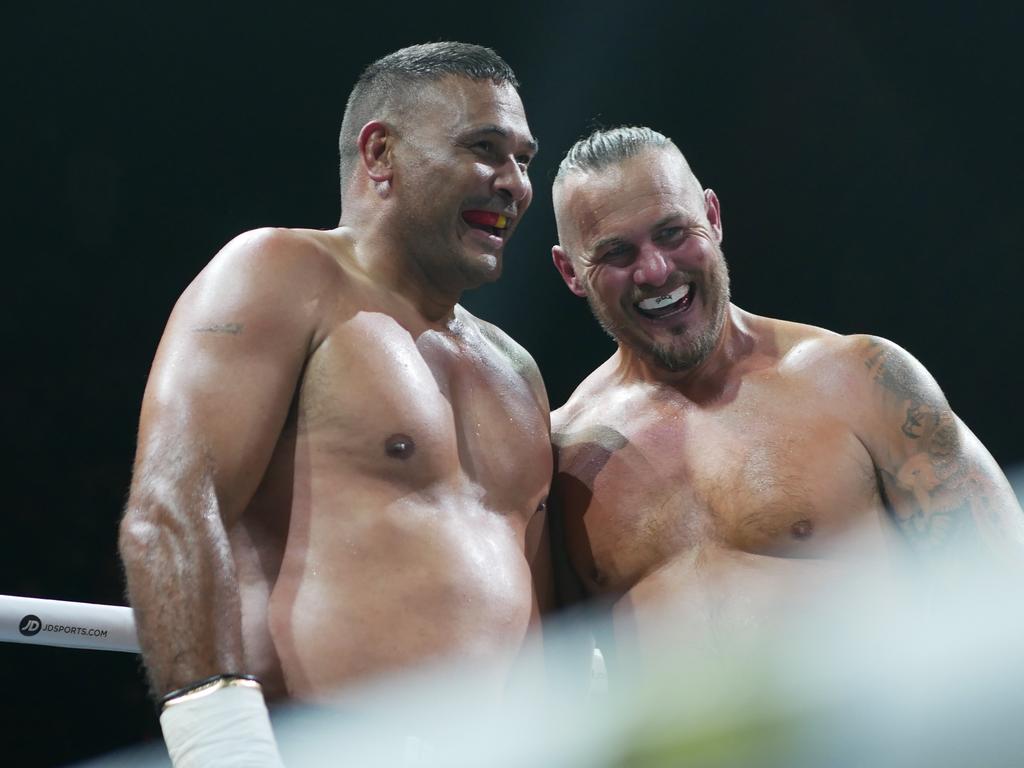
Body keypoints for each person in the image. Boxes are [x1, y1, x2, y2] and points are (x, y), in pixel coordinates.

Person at [118, 42, 551, 767]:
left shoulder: (517, 370)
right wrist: (223, 749)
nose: (515, 184)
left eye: (526, 160)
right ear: (380, 152)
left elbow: (533, 610)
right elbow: (169, 511)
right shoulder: (281, 273)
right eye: (485, 149)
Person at [548, 125, 1024, 666]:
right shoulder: (562, 460)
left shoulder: (858, 380)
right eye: (616, 253)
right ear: (571, 272)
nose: (655, 269)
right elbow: (547, 673)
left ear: (714, 217)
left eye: (673, 232)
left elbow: (1003, 592)